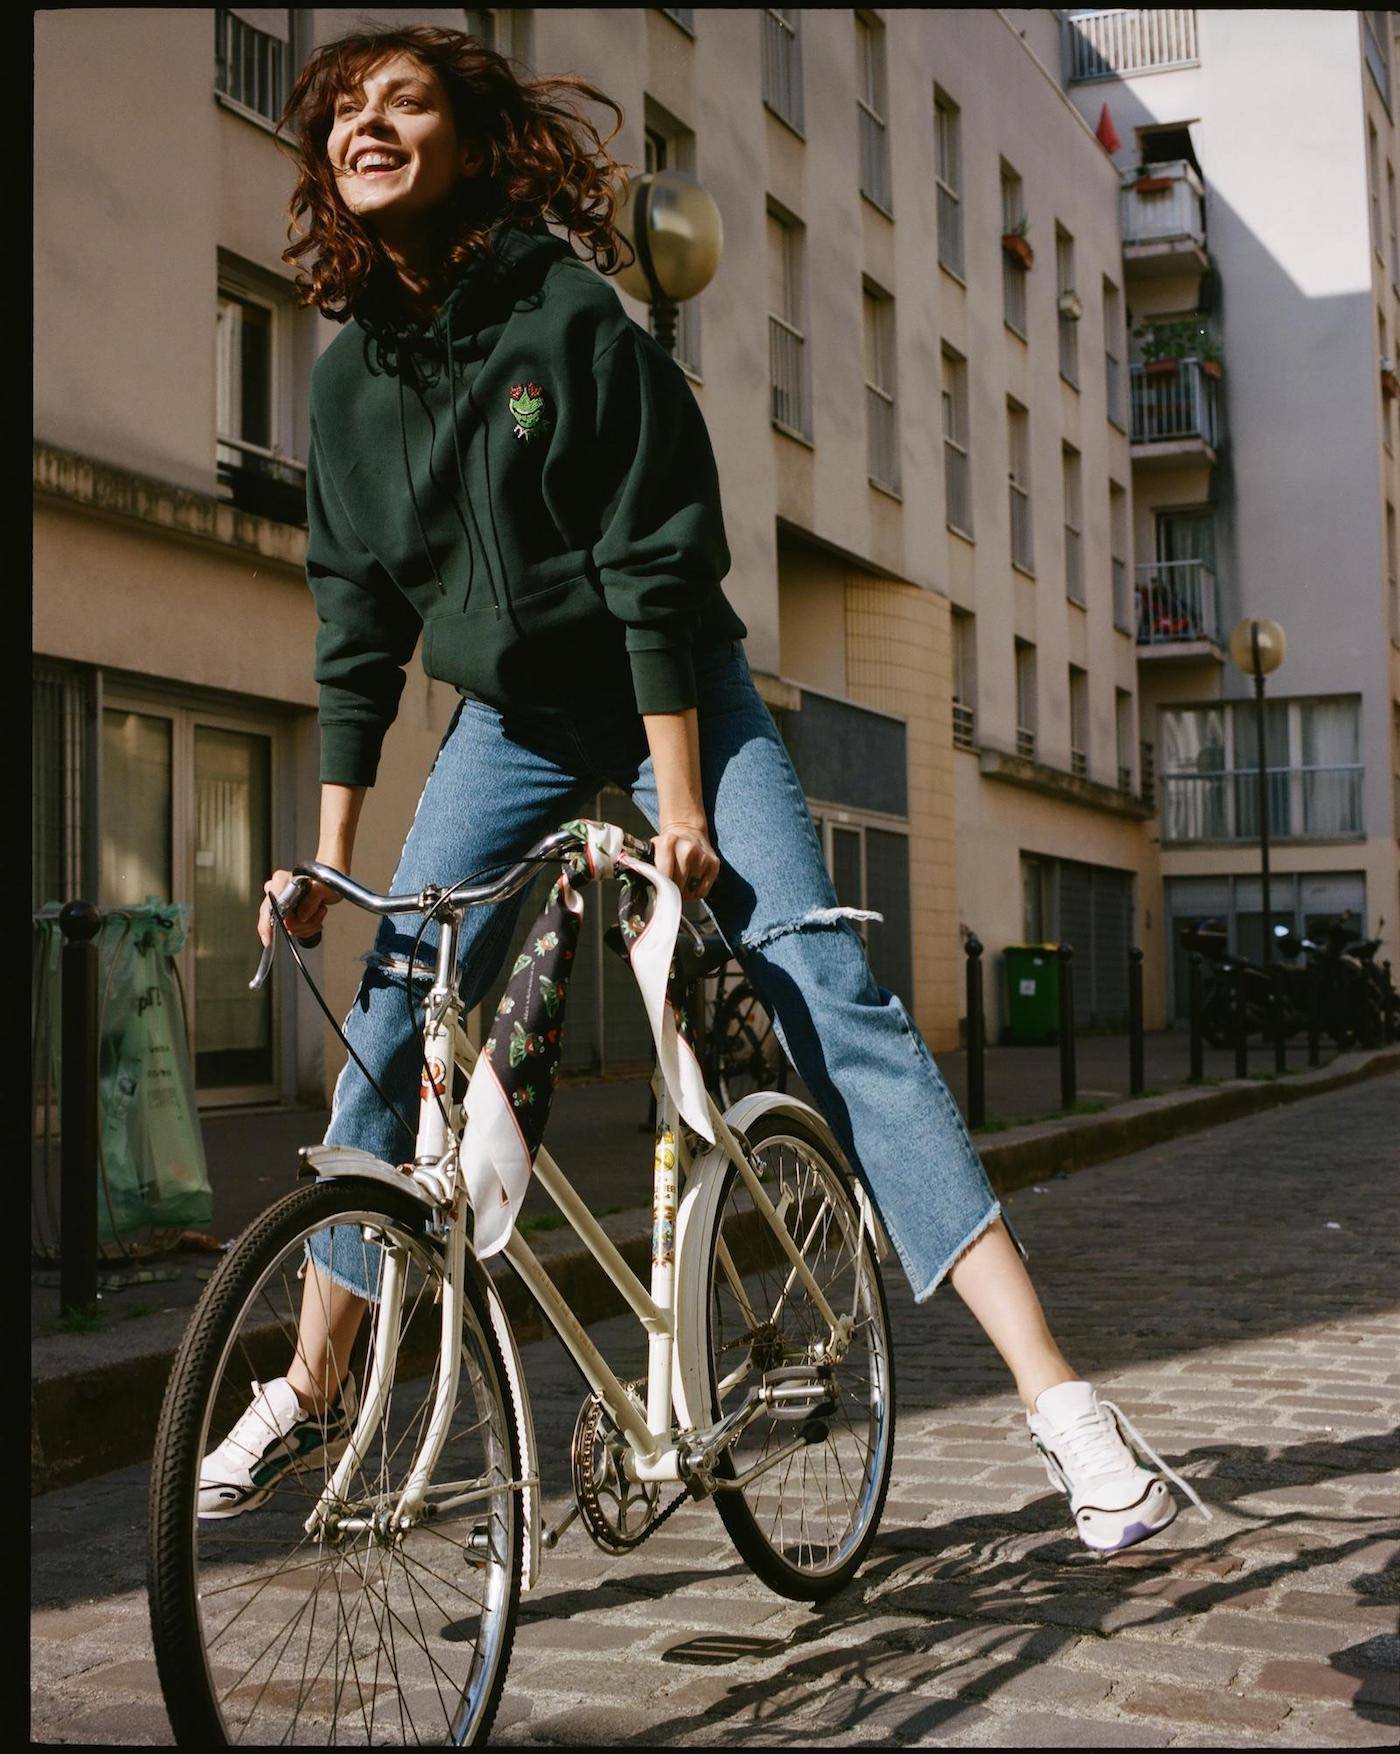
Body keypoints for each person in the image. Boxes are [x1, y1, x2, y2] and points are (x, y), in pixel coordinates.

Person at [199, 23, 1209, 1553]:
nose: (368, 124)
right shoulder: (346, 389)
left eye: (406, 102)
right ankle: (316, 1378)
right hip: (517, 720)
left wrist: (682, 802)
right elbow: (358, 633)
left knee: (820, 984)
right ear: (325, 161)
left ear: (467, 140)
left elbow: (653, 573)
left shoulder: (567, 318)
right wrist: (335, 861)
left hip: (677, 684)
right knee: (399, 987)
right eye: (343, 111)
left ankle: (1069, 1407)